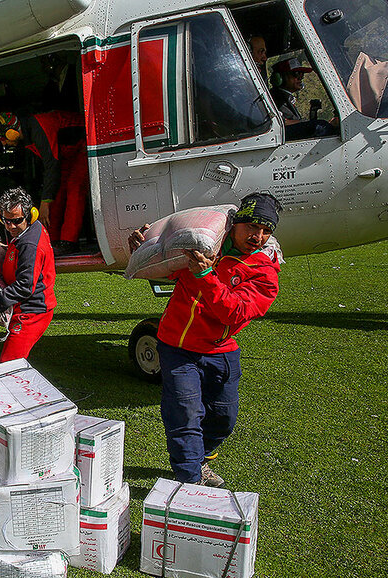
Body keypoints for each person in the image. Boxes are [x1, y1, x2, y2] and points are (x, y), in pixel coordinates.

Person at [128, 193, 282, 488]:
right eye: (251, 226)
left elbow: (233, 313)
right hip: (175, 347)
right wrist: (144, 244)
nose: (258, 236)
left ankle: (202, 457)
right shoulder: (202, 244)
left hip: (220, 351)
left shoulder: (265, 273)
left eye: (266, 231)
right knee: (184, 414)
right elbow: (163, 266)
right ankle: (190, 480)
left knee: (224, 417)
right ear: (235, 224)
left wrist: (206, 276)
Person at [0, 110, 88, 256]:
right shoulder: (28, 136)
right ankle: (53, 240)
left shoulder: (38, 129)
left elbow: (52, 165)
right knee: (57, 192)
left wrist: (44, 203)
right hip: (67, 154)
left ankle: (69, 242)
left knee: (74, 189)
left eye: (3, 139)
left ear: (11, 132)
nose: (4, 143)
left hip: (84, 144)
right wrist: (47, 199)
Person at [0, 186, 56, 362]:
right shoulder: (27, 231)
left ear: (29, 216)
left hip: (32, 312)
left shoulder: (30, 245)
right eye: (5, 220)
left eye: (16, 221)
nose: (10, 226)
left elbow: (25, 286)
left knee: (8, 365)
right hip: (27, 308)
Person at [270, 55, 313, 122]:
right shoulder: (276, 100)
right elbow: (291, 123)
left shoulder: (286, 98)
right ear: (280, 77)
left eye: (302, 74)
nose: (300, 78)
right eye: (296, 74)